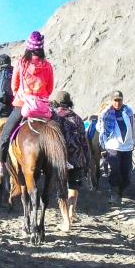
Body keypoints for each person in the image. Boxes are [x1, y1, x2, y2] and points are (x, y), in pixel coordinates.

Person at [0, 31, 55, 181]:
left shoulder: (21, 63)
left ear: (28, 48)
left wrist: (21, 96)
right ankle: (64, 158)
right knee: (58, 130)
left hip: (23, 105)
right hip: (42, 107)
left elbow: (14, 86)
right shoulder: (48, 66)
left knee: (5, 133)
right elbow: (50, 88)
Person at [52, 89, 91, 228]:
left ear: (56, 103)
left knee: (61, 189)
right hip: (76, 158)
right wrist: (87, 161)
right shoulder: (78, 118)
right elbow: (84, 142)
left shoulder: (52, 118)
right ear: (69, 103)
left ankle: (66, 221)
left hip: (59, 159)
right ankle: (71, 212)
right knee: (74, 186)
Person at [99, 89, 135, 206]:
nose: (117, 103)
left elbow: (132, 127)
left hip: (127, 147)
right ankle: (114, 195)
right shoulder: (106, 113)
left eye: (119, 100)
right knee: (115, 171)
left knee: (126, 175)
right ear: (111, 100)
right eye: (115, 100)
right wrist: (104, 143)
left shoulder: (128, 111)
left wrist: (133, 141)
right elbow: (100, 128)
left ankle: (119, 193)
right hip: (113, 146)